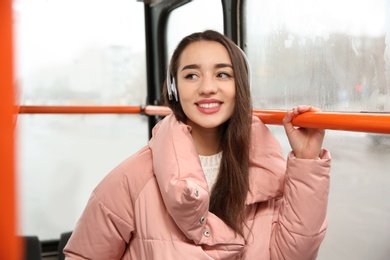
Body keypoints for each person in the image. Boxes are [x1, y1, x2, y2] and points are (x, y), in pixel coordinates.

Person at [64, 30, 331, 259]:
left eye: (223, 75)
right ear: (173, 89)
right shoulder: (133, 177)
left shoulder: (269, 174)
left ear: (241, 86)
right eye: (191, 76)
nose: (207, 88)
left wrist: (306, 160)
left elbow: (294, 255)